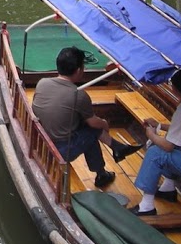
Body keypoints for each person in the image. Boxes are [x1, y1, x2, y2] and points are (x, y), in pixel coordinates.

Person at [32, 47, 143, 189]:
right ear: (79, 70)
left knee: (88, 130)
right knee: (92, 131)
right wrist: (105, 124)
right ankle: (105, 168)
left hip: (42, 138)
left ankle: (116, 150)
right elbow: (93, 122)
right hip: (59, 148)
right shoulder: (78, 95)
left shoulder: (42, 82)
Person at [129, 65, 181, 215]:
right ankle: (168, 188)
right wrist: (160, 125)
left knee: (155, 152)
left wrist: (151, 134)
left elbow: (167, 146)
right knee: (171, 142)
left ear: (174, 89)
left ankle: (146, 206)